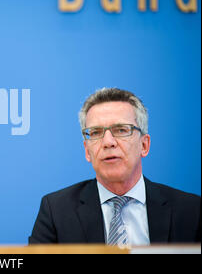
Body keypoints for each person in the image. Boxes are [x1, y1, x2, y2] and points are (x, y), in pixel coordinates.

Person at [29, 88, 200, 245]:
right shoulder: (57, 210)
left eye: (120, 130)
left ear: (144, 145)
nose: (108, 142)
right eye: (95, 133)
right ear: (87, 150)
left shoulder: (191, 211)